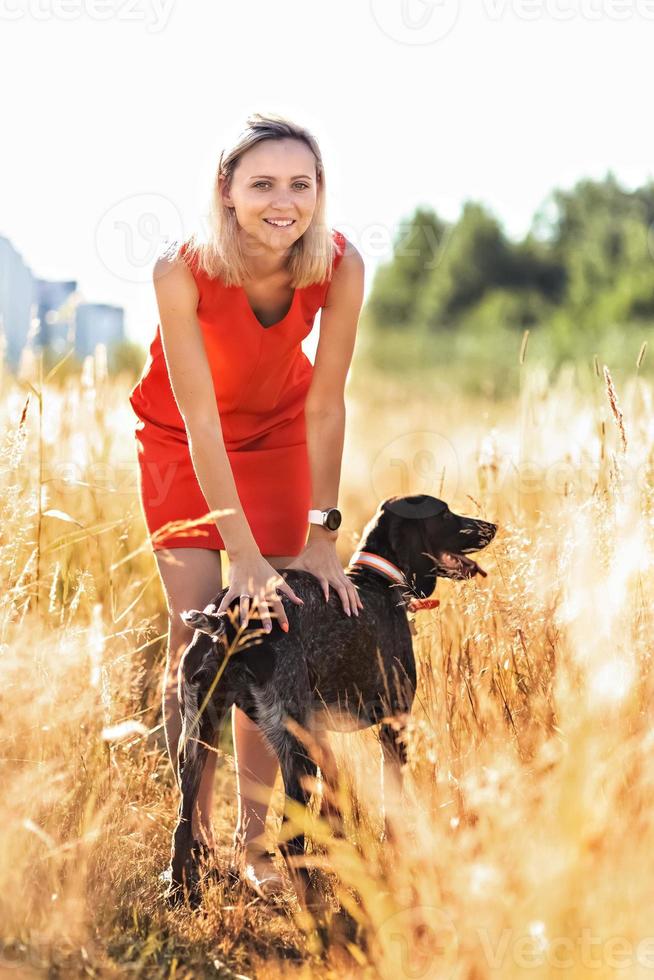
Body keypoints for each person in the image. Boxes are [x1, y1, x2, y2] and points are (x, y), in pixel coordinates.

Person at [129, 111, 365, 898]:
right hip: (180, 442)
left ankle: (258, 847)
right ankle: (189, 842)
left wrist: (320, 534)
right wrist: (246, 554)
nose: (282, 201)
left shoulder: (339, 264)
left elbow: (327, 405)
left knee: (273, 638)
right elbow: (199, 420)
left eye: (301, 183)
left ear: (319, 192)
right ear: (227, 192)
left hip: (276, 438)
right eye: (262, 183)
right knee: (202, 631)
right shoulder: (182, 270)